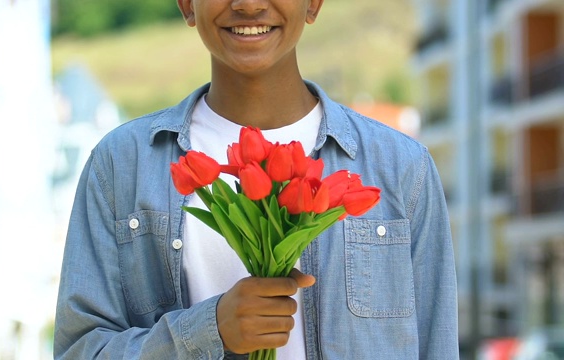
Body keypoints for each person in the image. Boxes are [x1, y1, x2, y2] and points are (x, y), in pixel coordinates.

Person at [53, 0, 459, 358]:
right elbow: (79, 351)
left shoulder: (402, 167)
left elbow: (437, 346)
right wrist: (211, 330)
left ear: (314, 4)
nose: (248, 4)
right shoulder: (121, 163)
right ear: (186, 5)